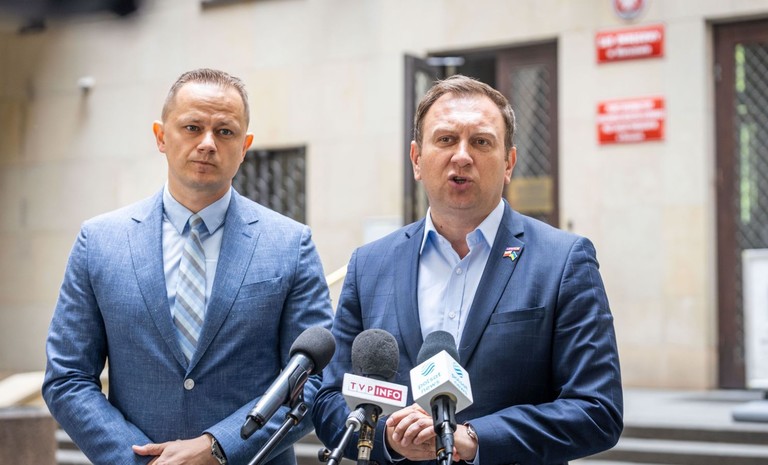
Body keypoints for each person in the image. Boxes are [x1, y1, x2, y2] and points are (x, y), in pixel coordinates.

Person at [312, 75, 623, 465]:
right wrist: (388, 439)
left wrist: (475, 438)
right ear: (416, 160)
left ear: (508, 163)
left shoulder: (563, 261)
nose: (462, 156)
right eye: (445, 139)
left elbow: (597, 410)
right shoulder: (369, 265)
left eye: (481, 142)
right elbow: (329, 400)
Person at [42, 68, 334, 465]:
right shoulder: (99, 242)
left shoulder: (290, 244)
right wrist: (142, 461)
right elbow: (68, 378)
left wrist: (218, 447)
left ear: (245, 146)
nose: (208, 143)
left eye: (225, 132)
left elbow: (314, 381)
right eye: (192, 127)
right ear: (161, 136)